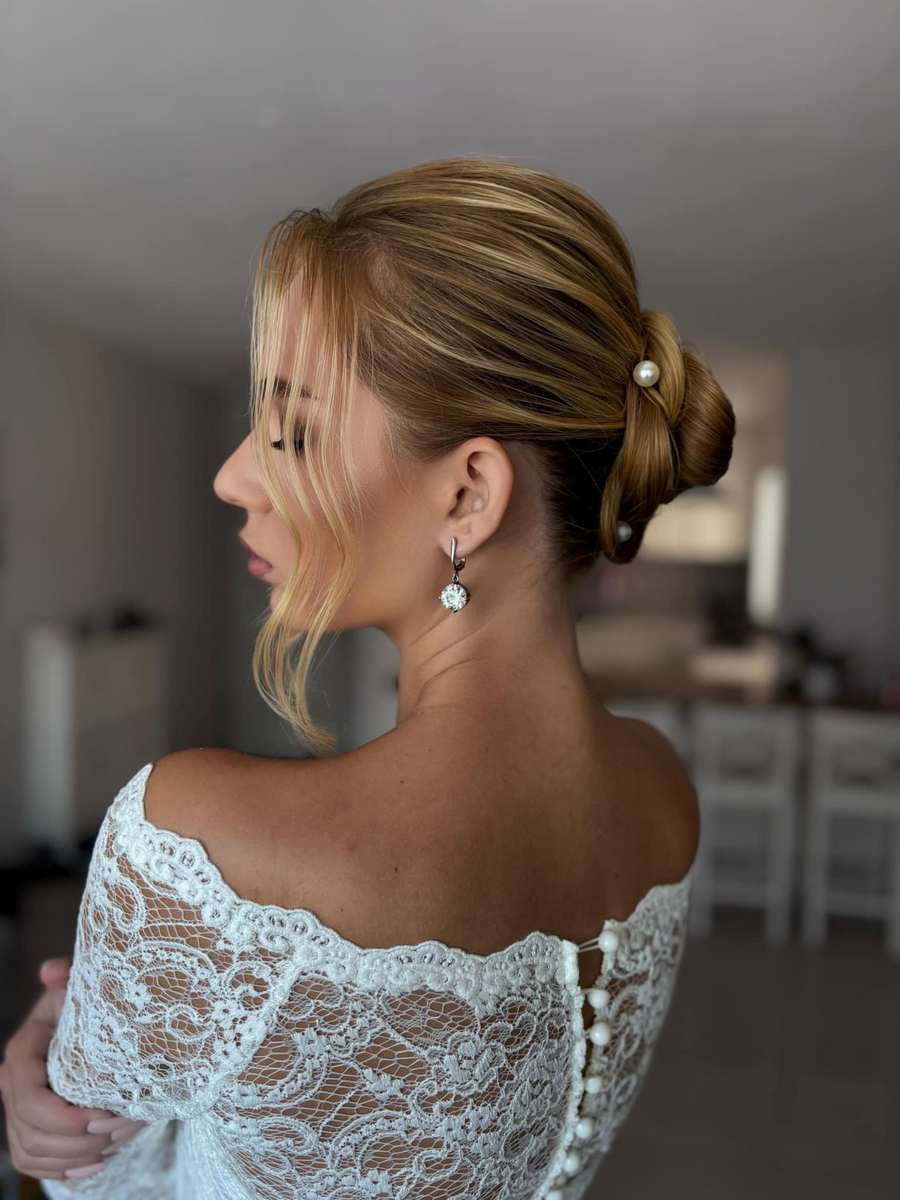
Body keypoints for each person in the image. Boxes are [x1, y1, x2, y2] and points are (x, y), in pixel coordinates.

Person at [0, 155, 734, 1196]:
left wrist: (48, 1041)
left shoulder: (204, 847)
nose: (233, 475)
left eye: (292, 430)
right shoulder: (663, 792)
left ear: (468, 495)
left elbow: (101, 1178)